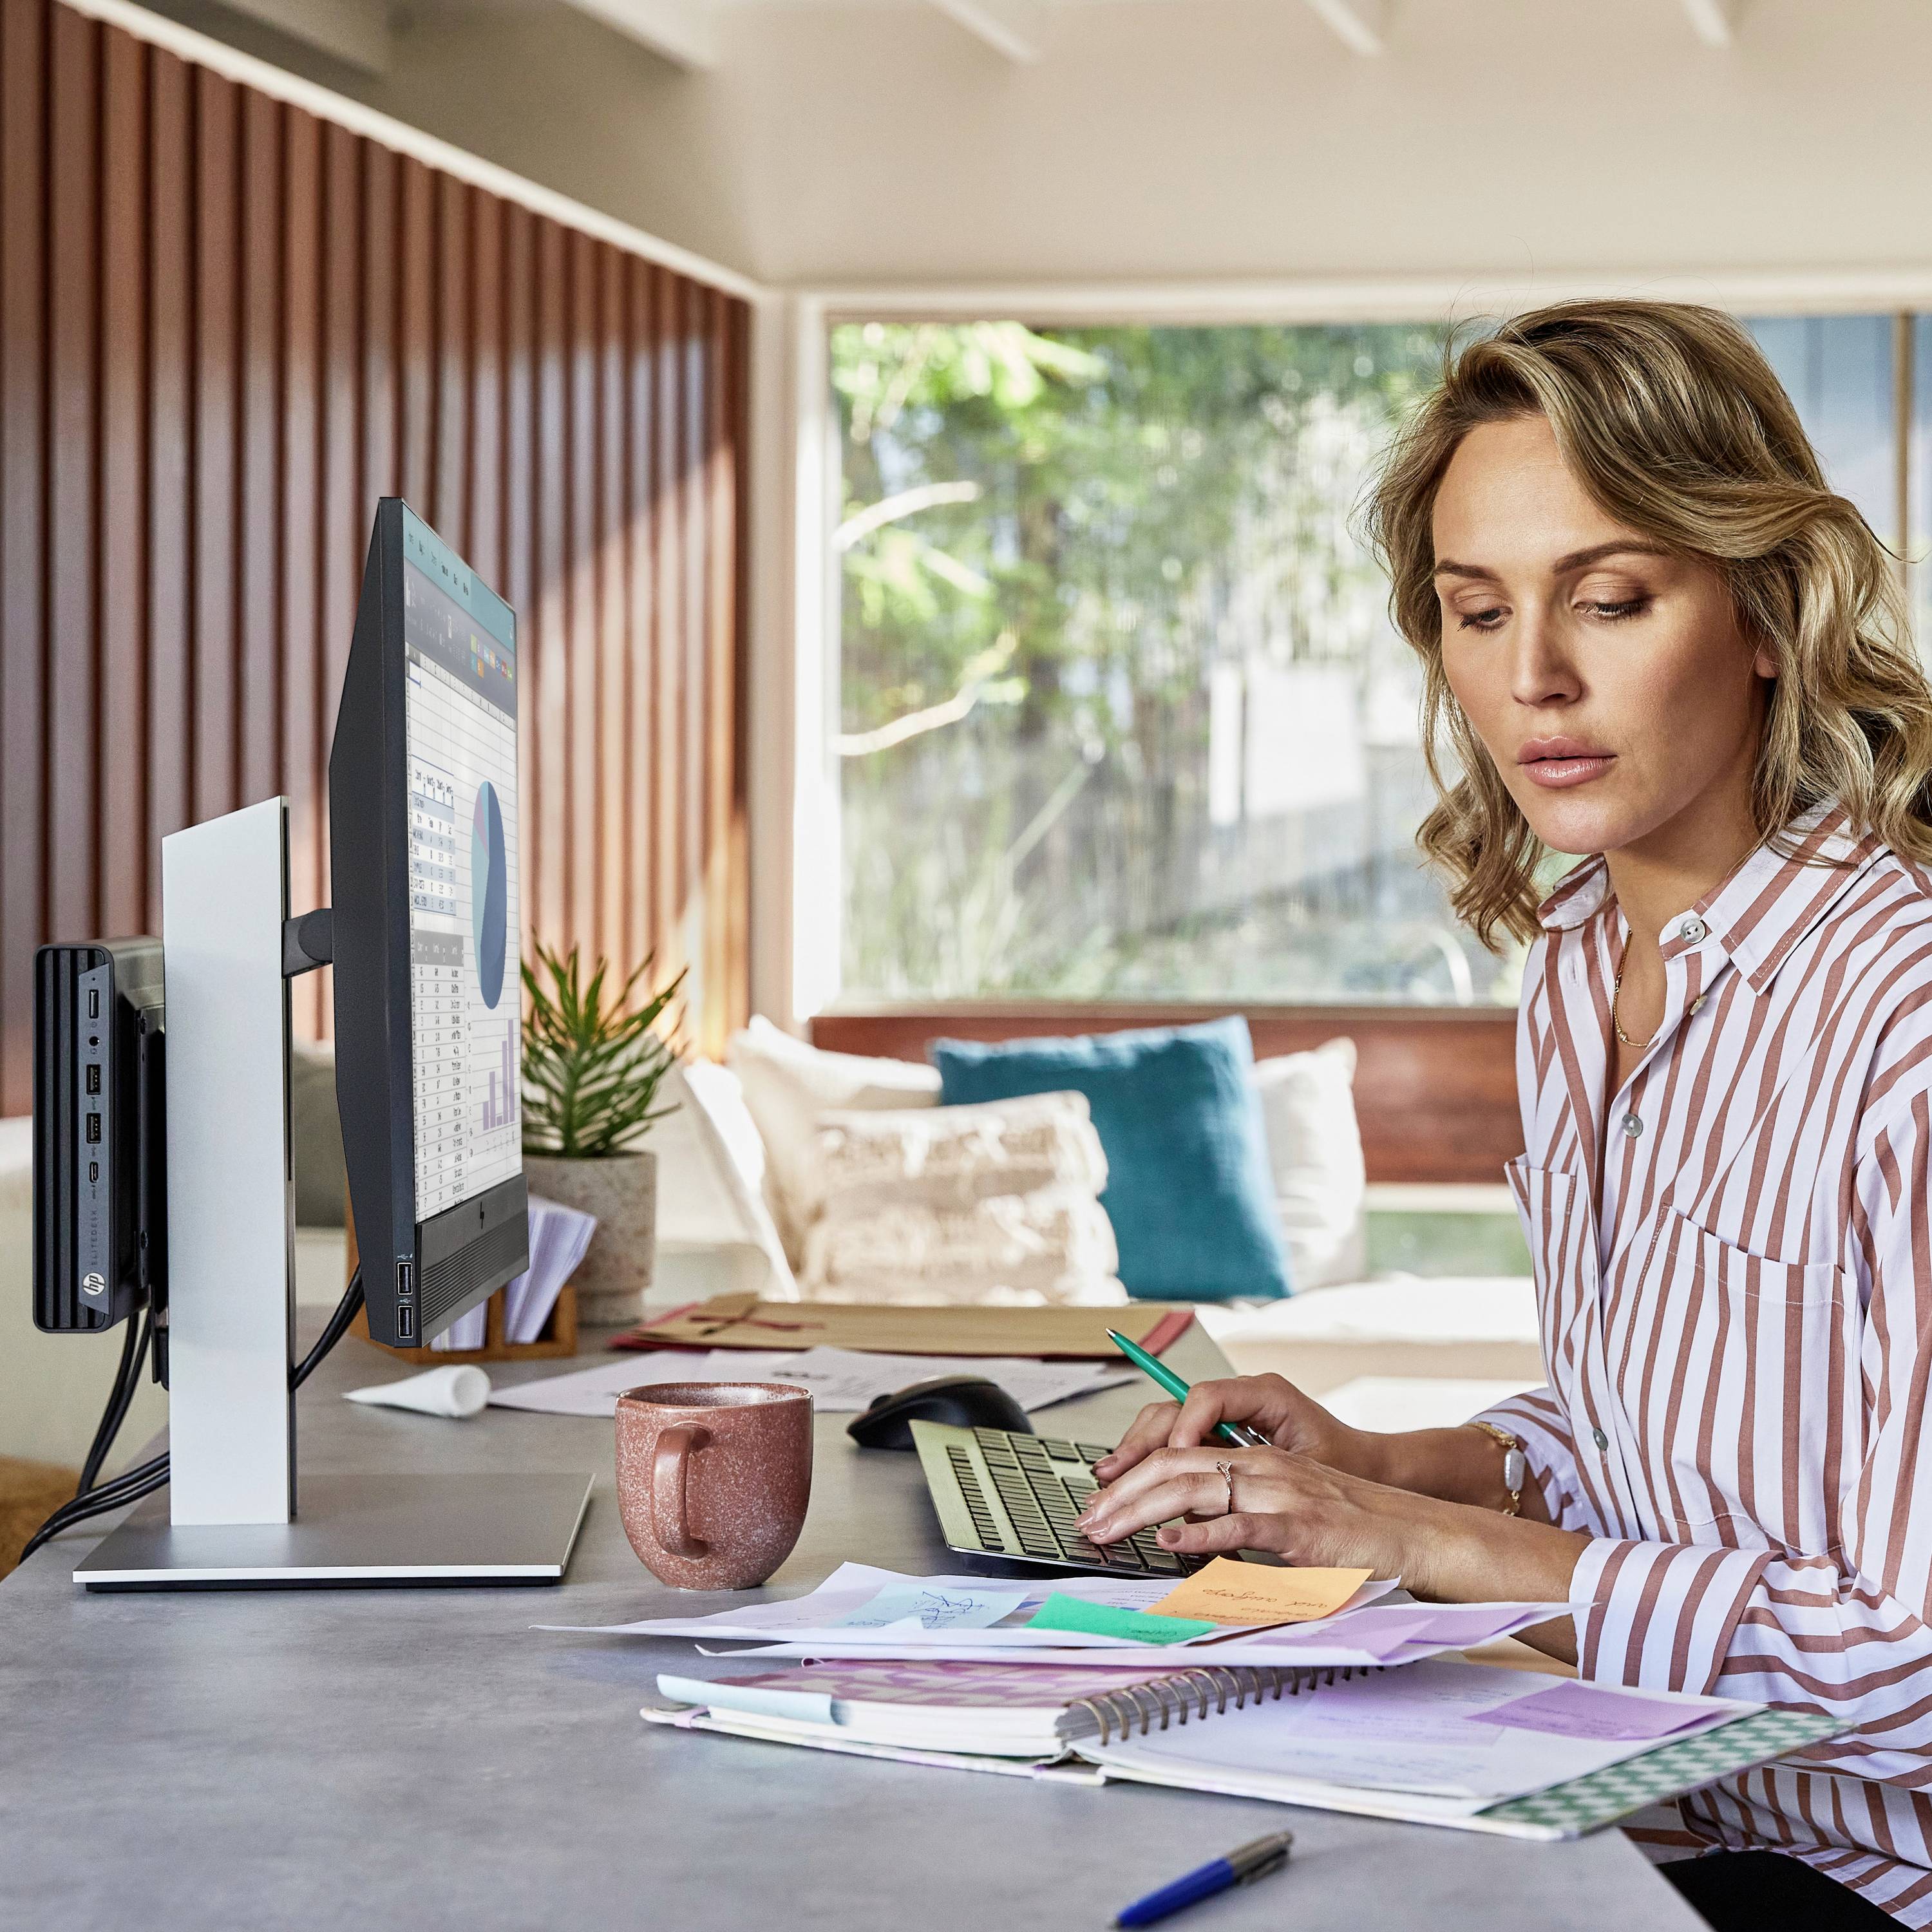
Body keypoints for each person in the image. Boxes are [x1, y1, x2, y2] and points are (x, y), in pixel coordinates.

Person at [1074, 300, 1932, 1929]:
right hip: (1639, 1796)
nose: (1533, 677)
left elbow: (1920, 1663)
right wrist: (1390, 1465)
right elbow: (1655, 1447)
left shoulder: (1905, 1017)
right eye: (1477, 612)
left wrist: (1422, 1545)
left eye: (1610, 600)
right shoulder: (1577, 961)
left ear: (1767, 614)